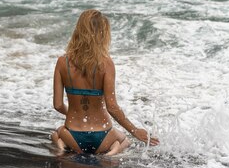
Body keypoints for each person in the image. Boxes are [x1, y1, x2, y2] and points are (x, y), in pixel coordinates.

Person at [51, 9, 159, 156]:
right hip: (103, 136)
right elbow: (112, 107)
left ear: (79, 30)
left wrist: (72, 113)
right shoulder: (106, 63)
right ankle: (113, 151)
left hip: (73, 135)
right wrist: (135, 131)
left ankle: (61, 145)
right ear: (103, 33)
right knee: (125, 140)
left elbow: (57, 105)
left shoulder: (62, 62)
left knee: (56, 133)